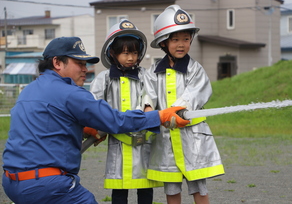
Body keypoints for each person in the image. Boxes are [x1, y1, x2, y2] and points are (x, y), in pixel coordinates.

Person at [1, 36, 189, 204]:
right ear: (57, 62)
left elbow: (47, 124)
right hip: (47, 185)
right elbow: (116, 120)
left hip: (12, 183)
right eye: (79, 63)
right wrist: (160, 116)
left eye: (86, 64)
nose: (85, 69)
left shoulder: (29, 90)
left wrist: (84, 129)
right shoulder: (71, 93)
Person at [142, 5, 225, 204]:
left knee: (199, 187)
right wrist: (147, 108)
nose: (181, 44)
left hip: (193, 138)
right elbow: (148, 94)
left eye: (186, 39)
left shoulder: (195, 69)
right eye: (175, 39)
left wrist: (177, 109)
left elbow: (197, 92)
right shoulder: (153, 72)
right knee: (171, 190)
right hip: (165, 140)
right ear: (163, 42)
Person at [89, 19, 163, 204]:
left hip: (143, 139)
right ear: (112, 53)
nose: (131, 58)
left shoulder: (146, 75)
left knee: (145, 186)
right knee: (119, 188)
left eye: (135, 52)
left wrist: (146, 107)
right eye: (125, 53)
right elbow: (94, 103)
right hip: (118, 141)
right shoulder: (104, 78)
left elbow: (152, 95)